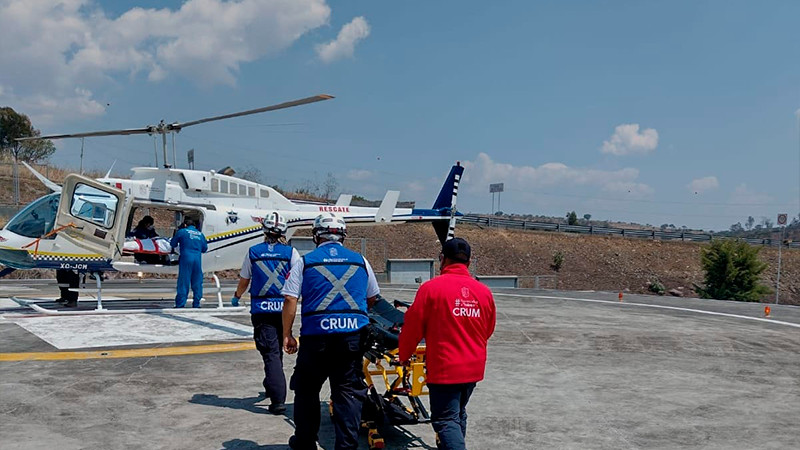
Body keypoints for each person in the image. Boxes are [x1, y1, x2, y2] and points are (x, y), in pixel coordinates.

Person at [282, 213, 380, 450]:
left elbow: (290, 299)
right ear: (343, 235)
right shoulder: (360, 261)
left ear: (316, 235)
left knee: (307, 390)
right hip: (351, 340)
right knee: (347, 393)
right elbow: (373, 297)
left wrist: (287, 333)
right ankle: (346, 446)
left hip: (316, 338)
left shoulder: (304, 262)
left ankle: (305, 442)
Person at [398, 237, 496, 450]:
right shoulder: (484, 292)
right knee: (458, 413)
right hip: (473, 368)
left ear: (442, 259)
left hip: (445, 369)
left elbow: (412, 329)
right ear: (468, 263)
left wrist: (404, 356)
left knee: (445, 419)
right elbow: (487, 330)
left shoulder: (431, 289)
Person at [230, 212, 300, 414]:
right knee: (275, 351)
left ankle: (278, 400)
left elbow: (244, 280)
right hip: (285, 310)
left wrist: (236, 296)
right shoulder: (291, 253)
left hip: (262, 310)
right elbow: (297, 281)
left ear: (264, 230)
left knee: (270, 353)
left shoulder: (253, 252)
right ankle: (271, 384)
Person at [170, 218, 208, 308]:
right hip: (197, 259)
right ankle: (196, 303)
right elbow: (204, 248)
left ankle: (180, 304)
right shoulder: (200, 234)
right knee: (197, 282)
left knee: (184, 281)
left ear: (185, 225)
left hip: (186, 258)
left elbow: (173, 243)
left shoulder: (182, 231)